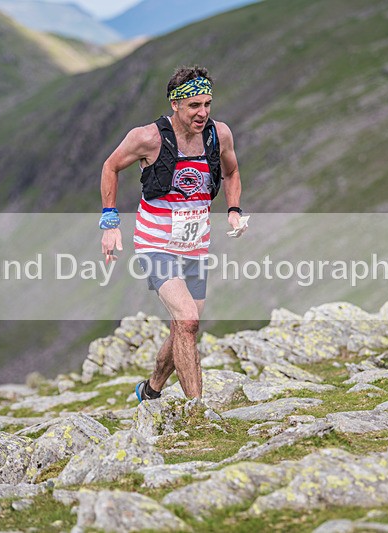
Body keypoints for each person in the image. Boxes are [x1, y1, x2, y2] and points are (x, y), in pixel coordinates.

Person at [99, 66, 246, 401]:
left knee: (184, 326)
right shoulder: (147, 138)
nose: (202, 113)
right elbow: (110, 166)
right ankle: (198, 412)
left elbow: (232, 171)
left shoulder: (219, 135)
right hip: (156, 244)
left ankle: (150, 390)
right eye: (194, 105)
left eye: (207, 104)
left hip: (195, 246)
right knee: (188, 320)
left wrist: (234, 210)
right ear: (175, 104)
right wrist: (109, 222)